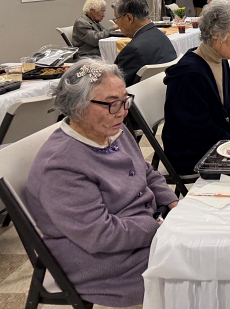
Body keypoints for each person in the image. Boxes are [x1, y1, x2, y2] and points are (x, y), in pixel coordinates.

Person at [25, 59, 179, 307]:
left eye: (125, 100)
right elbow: (101, 235)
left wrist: (172, 204)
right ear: (78, 106)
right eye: (112, 103)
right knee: (202, 265)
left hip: (140, 234)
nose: (122, 111)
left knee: (213, 244)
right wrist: (157, 226)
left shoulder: (112, 129)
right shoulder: (60, 166)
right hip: (107, 262)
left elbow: (145, 171)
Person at [162, 0, 230, 176]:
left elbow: (227, 104)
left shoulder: (220, 59)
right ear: (216, 33)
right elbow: (198, 128)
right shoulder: (189, 73)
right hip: (191, 153)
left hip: (213, 141)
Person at [111, 0, 177, 86]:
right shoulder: (161, 36)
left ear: (129, 18)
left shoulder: (133, 50)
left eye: (116, 19)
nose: (117, 24)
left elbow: (116, 87)